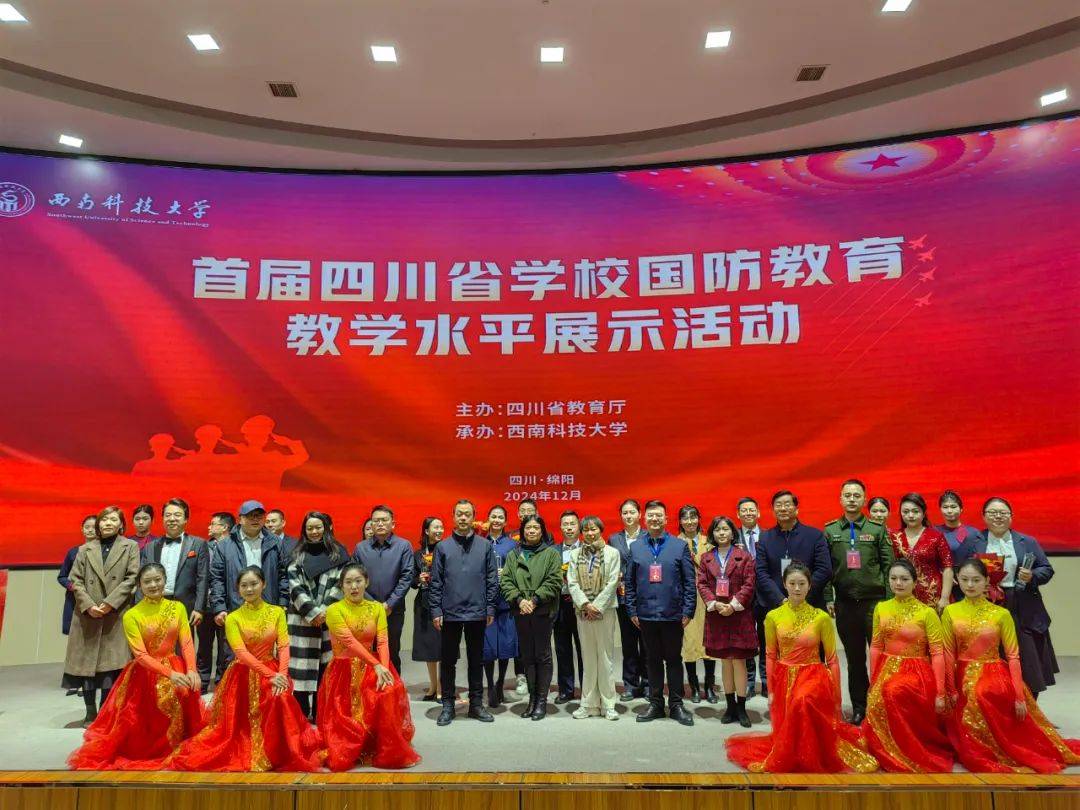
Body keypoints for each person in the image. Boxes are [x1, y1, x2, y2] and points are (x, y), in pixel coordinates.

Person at [725, 562, 879, 774]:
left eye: (802, 584)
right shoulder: (773, 617)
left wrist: (836, 695)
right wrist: (771, 690)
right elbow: (770, 655)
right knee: (792, 718)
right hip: (784, 676)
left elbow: (832, 659)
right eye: (792, 583)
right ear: (784, 584)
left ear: (809, 586)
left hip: (813, 675)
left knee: (803, 701)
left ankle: (811, 754)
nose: (797, 588)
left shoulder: (821, 618)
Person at [169, 566, 324, 772]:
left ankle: (277, 752)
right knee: (237, 727)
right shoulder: (233, 618)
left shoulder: (277, 612)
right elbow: (241, 653)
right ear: (238, 589)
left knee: (280, 701)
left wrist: (282, 674)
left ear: (263, 584)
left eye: (254, 584)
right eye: (244, 585)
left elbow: (284, 645)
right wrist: (271, 675)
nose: (249, 589)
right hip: (242, 674)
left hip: (274, 671)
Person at [942, 558, 1080, 773]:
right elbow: (949, 653)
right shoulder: (950, 612)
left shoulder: (1001, 614)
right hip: (960, 673)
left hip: (993, 670)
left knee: (983, 692)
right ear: (957, 580)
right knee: (969, 695)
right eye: (965, 579)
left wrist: (1019, 696)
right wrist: (950, 688)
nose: (970, 585)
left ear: (987, 581)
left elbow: (1013, 656)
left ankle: (994, 745)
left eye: (976, 580)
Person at [68, 563, 205, 769]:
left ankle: (176, 744)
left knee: (184, 699)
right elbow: (140, 655)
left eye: (157, 580)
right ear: (139, 586)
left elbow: (186, 642)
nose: (153, 585)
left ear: (165, 580)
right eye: (147, 582)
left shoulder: (178, 608)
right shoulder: (132, 615)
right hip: (145, 673)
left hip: (175, 665)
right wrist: (170, 674)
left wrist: (192, 669)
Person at [317, 564, 420, 770]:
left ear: (367, 582)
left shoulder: (377, 608)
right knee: (345, 715)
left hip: (373, 667)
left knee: (390, 690)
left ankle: (380, 746)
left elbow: (382, 641)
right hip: (343, 670)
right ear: (342, 586)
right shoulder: (334, 610)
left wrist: (384, 668)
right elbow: (349, 642)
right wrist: (377, 665)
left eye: (358, 581)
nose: (354, 587)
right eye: (348, 582)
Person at [862, 560, 953, 773]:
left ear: (915, 582)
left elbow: (937, 653)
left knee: (894, 691)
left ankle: (903, 750)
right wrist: (873, 680)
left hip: (916, 671)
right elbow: (876, 646)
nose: (898, 583)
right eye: (893, 578)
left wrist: (940, 692)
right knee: (880, 696)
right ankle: (885, 748)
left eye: (904, 579)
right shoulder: (881, 608)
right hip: (886, 667)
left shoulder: (927, 613)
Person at [968, 497, 1058, 697]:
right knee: (993, 654)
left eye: (1003, 513)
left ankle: (1029, 707)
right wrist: (975, 584)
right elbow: (962, 569)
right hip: (987, 603)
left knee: (1028, 659)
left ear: (1011, 516)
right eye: (992, 513)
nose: (998, 516)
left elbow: (1046, 569)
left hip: (1022, 602)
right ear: (984, 517)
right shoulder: (974, 542)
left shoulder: (1027, 541)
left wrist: (1032, 576)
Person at [823, 479, 894, 727]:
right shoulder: (830, 530)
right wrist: (828, 598)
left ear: (864, 500)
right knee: (854, 661)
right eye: (847, 495)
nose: (852, 499)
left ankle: (882, 707)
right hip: (845, 605)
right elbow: (826, 568)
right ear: (840, 499)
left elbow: (889, 567)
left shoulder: (876, 530)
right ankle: (860, 708)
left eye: (856, 496)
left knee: (880, 658)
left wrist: (889, 603)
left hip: (875, 604)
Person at [62, 506, 140, 726]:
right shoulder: (85, 549)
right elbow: (75, 580)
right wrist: (89, 605)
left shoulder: (130, 547)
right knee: (86, 666)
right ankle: (90, 713)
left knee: (110, 667)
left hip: (115, 614)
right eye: (104, 519)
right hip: (87, 614)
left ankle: (106, 714)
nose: (107, 523)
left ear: (121, 524)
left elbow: (132, 578)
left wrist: (109, 603)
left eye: (113, 519)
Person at [624, 500, 696, 726]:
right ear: (645, 519)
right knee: (652, 660)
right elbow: (630, 582)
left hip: (673, 614)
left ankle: (676, 705)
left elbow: (689, 581)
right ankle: (655, 704)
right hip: (645, 615)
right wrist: (632, 609)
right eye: (651, 515)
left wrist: (688, 610)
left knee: (674, 660)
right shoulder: (636, 547)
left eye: (659, 515)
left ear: (666, 519)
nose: (654, 519)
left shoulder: (679, 546)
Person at [430, 500, 498, 726]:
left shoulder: (485, 546)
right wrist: (436, 610)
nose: (463, 518)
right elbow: (436, 582)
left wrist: (490, 607)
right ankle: (448, 705)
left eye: (467, 514)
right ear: (453, 517)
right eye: (459, 514)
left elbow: (492, 579)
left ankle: (476, 705)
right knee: (448, 661)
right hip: (449, 613)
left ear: (473, 517)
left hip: (477, 611)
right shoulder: (442, 547)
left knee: (476, 660)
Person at [287, 511, 349, 721]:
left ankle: (322, 715)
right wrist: (313, 613)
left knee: (325, 671)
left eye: (318, 527)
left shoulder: (338, 554)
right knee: (300, 671)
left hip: (328, 621)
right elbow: (295, 587)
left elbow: (341, 585)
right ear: (304, 531)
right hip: (301, 620)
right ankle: (301, 715)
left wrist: (323, 612)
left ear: (326, 528)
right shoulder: (297, 555)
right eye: (310, 528)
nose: (314, 531)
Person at [501, 514, 562, 720]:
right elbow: (506, 581)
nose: (532, 531)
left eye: (536, 527)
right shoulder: (514, 554)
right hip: (521, 611)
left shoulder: (551, 554)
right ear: (522, 531)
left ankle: (541, 701)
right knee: (527, 656)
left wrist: (534, 600)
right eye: (528, 528)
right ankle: (532, 700)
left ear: (542, 531)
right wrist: (519, 600)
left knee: (542, 655)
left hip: (542, 611)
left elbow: (554, 581)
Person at [697, 516, 757, 727]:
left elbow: (749, 584)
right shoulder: (706, 558)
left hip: (739, 615)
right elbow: (702, 584)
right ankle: (730, 706)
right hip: (717, 616)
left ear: (733, 533)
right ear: (712, 534)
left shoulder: (744, 556)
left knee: (739, 661)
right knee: (724, 661)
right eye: (717, 530)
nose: (721, 533)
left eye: (725, 529)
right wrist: (714, 603)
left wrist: (732, 605)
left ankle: (741, 708)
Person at [567, 516, 621, 720]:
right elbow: (572, 582)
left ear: (601, 530)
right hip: (583, 612)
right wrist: (585, 604)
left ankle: (608, 705)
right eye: (586, 530)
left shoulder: (612, 553)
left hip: (605, 611)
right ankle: (588, 704)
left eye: (594, 529)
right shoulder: (575, 554)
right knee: (588, 658)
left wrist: (596, 606)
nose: (590, 533)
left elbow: (613, 582)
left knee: (605, 658)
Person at [351, 505, 415, 675]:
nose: (380, 524)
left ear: (392, 524)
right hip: (365, 610)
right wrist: (373, 605)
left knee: (392, 652)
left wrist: (389, 604)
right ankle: (369, 690)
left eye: (384, 520)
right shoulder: (360, 548)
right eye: (376, 520)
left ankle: (393, 689)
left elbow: (406, 577)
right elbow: (355, 578)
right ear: (371, 524)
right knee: (367, 654)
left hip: (393, 611)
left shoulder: (403, 546)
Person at [209, 500, 289, 631]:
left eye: (259, 515)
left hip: (268, 607)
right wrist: (219, 608)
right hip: (236, 608)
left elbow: (283, 575)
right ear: (240, 519)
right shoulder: (225, 545)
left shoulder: (275, 542)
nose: (255, 519)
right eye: (250, 515)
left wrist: (283, 603)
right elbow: (217, 579)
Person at [141, 499, 209, 636]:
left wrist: (199, 608)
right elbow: (141, 579)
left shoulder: (198, 544)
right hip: (155, 604)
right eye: (168, 515)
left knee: (183, 646)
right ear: (163, 519)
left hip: (185, 606)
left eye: (177, 515)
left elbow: (203, 578)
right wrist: (141, 606)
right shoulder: (150, 547)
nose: (172, 519)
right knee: (155, 643)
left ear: (186, 519)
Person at [755, 490, 832, 612]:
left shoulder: (815, 535)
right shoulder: (765, 538)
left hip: (810, 603)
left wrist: (801, 596)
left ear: (796, 509)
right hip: (776, 606)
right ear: (773, 511)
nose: (782, 509)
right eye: (778, 505)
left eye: (787, 504)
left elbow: (824, 570)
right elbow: (761, 572)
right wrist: (780, 599)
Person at [607, 498, 649, 700]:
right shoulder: (614, 539)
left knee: (648, 643)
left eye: (632, 512)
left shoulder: (649, 536)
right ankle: (630, 685)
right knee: (628, 643)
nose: (628, 516)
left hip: (647, 597)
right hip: (624, 597)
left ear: (639, 514)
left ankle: (648, 684)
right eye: (625, 513)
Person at [676, 504, 715, 703]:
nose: (690, 521)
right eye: (685, 518)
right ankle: (694, 687)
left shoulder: (709, 542)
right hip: (686, 598)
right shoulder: (675, 543)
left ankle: (709, 686)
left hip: (708, 597)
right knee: (689, 643)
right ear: (680, 521)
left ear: (699, 519)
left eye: (693, 517)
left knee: (709, 641)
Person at [889, 493, 953, 613]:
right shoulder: (895, 536)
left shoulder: (936, 536)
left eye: (915, 511)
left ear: (923, 513)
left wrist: (945, 597)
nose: (910, 515)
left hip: (933, 595)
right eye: (906, 511)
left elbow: (947, 567)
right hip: (904, 594)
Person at [482, 505, 519, 707]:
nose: (496, 520)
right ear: (488, 519)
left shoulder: (512, 545)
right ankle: (489, 684)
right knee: (487, 648)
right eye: (493, 516)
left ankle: (500, 683)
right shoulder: (480, 543)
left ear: (505, 522)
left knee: (505, 647)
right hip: (486, 603)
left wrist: (507, 573)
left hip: (505, 602)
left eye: (500, 517)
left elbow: (518, 571)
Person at [197, 511, 234, 691]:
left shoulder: (234, 548)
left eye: (213, 524)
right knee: (203, 645)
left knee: (225, 648)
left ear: (225, 527)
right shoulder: (204, 546)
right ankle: (202, 683)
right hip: (205, 605)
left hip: (226, 605)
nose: (209, 527)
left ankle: (222, 684)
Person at [736, 497, 768, 699]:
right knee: (745, 638)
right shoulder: (732, 537)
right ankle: (748, 681)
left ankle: (765, 680)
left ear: (758, 513)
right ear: (738, 514)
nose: (748, 513)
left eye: (751, 510)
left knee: (766, 638)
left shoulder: (768, 536)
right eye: (744, 510)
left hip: (764, 595)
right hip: (742, 595)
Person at [553, 510, 585, 704]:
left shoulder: (587, 549)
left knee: (585, 649)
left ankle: (587, 688)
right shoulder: (553, 551)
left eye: (572, 524)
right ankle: (566, 689)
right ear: (560, 527)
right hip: (561, 605)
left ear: (579, 526)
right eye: (565, 524)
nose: (569, 528)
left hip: (582, 605)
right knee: (562, 648)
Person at [412, 517, 445, 700]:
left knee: (442, 648)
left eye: (441, 527)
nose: (439, 530)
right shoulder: (418, 554)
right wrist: (419, 579)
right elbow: (411, 580)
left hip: (443, 604)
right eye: (435, 527)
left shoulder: (447, 550)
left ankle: (441, 687)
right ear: (426, 531)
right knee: (428, 648)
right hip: (423, 604)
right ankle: (433, 686)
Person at [934, 490, 979, 597]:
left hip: (968, 583)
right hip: (940, 583)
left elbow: (978, 560)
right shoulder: (934, 532)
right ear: (940, 509)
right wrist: (944, 575)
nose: (949, 511)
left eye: (953, 507)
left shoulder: (973, 533)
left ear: (961, 509)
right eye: (945, 507)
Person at [59, 516, 97, 639]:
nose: (90, 530)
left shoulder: (105, 551)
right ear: (82, 529)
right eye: (87, 527)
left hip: (96, 599)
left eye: (94, 527)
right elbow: (62, 576)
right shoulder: (73, 552)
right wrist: (72, 586)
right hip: (75, 598)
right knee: (75, 636)